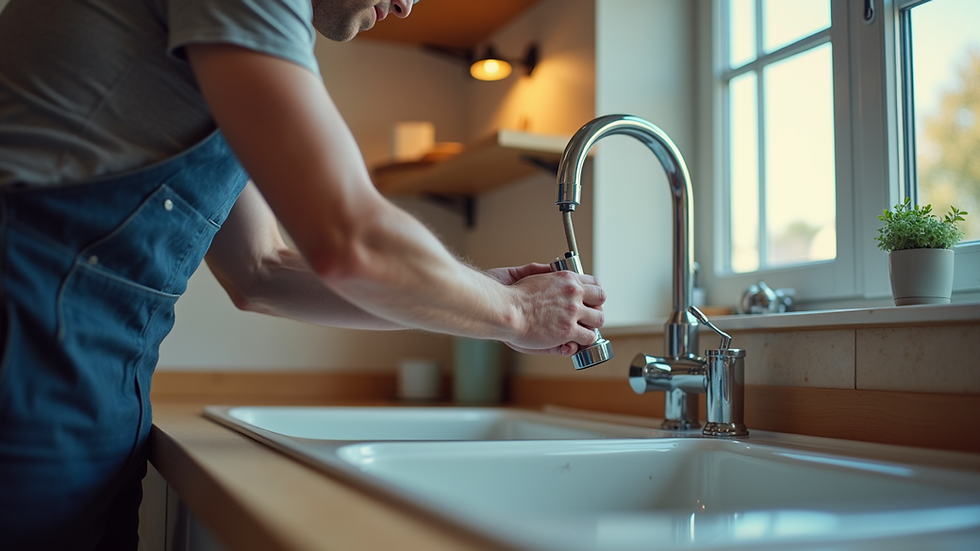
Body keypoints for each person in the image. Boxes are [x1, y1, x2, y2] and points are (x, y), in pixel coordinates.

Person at [0, 0, 607, 549]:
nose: (408, 4)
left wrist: (490, 297)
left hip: (91, 375)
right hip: (25, 341)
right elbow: (351, 238)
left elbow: (263, 270)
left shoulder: (224, 42)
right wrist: (520, 312)